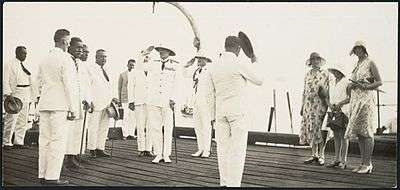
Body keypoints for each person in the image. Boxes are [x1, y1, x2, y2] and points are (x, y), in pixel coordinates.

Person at [208, 36, 263, 187]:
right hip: (237, 112)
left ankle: (224, 182)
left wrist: (212, 115)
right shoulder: (238, 63)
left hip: (220, 112)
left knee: (223, 149)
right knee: (237, 150)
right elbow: (259, 80)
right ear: (239, 49)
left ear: (225, 46)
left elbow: (209, 93)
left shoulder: (213, 65)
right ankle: (233, 184)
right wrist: (255, 62)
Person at [35, 29, 78, 185]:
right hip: (60, 105)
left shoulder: (44, 58)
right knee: (58, 141)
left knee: (44, 140)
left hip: (45, 103)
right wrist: (73, 108)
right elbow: (69, 85)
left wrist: (37, 104)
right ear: (64, 41)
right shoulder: (66, 59)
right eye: (68, 41)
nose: (69, 44)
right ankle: (52, 177)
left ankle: (42, 174)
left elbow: (38, 83)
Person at [345, 41, 382, 174]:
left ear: (364, 49)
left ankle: (368, 164)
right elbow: (354, 81)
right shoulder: (357, 64)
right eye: (355, 49)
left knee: (367, 131)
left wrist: (367, 86)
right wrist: (351, 86)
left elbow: (379, 81)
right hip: (356, 100)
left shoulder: (370, 62)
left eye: (359, 48)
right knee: (360, 132)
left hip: (366, 100)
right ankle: (363, 163)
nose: (357, 51)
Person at [63, 37, 92, 170]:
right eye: (78, 48)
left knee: (77, 131)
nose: (81, 50)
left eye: (82, 48)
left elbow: (86, 84)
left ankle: (73, 156)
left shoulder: (81, 64)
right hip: (67, 103)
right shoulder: (65, 60)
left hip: (80, 103)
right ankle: (66, 157)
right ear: (70, 47)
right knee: (67, 131)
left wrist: (88, 99)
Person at [147, 45, 178, 164]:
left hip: (167, 101)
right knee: (155, 127)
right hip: (154, 100)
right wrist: (145, 53)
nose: (161, 52)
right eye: (159, 50)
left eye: (163, 50)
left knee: (168, 128)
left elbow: (177, 83)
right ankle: (158, 153)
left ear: (169, 51)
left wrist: (173, 98)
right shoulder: (153, 63)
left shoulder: (175, 65)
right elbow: (140, 67)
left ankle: (166, 154)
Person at [299, 52, 330, 166]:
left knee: (320, 129)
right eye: (313, 60)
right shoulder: (307, 74)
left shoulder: (325, 74)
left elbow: (327, 91)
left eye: (317, 59)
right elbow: (304, 90)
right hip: (308, 105)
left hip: (320, 104)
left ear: (320, 61)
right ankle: (314, 154)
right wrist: (302, 106)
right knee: (311, 129)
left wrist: (328, 104)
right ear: (310, 61)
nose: (315, 61)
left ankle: (321, 155)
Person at [3, 46, 36, 150]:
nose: (24, 55)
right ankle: (6, 142)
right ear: (17, 53)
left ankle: (19, 141)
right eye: (22, 53)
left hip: (26, 92)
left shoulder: (27, 65)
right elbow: (5, 80)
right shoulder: (9, 64)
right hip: (15, 93)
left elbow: (32, 80)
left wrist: (33, 97)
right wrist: (8, 94)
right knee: (11, 119)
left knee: (23, 119)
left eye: (26, 53)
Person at [86, 49, 117, 158]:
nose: (103, 59)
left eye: (105, 57)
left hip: (107, 103)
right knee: (93, 126)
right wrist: (90, 101)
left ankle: (100, 148)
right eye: (101, 56)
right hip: (96, 102)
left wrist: (113, 98)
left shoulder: (107, 70)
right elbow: (88, 86)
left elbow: (109, 86)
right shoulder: (90, 69)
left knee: (104, 127)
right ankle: (92, 148)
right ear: (96, 57)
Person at [183, 51, 214, 158]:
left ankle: (207, 150)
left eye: (201, 58)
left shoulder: (210, 70)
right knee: (198, 126)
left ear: (207, 59)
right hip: (196, 101)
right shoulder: (196, 71)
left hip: (206, 102)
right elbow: (183, 73)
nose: (199, 60)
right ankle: (200, 148)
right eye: (198, 58)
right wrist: (187, 64)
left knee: (206, 126)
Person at [128, 47, 154, 157]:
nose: (146, 58)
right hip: (139, 101)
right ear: (140, 57)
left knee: (150, 126)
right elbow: (130, 87)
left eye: (148, 56)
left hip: (151, 102)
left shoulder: (154, 71)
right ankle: (141, 149)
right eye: (144, 56)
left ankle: (148, 148)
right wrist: (131, 101)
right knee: (139, 125)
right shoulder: (135, 71)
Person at [324, 63, 350, 169]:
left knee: (344, 136)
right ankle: (336, 159)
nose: (335, 73)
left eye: (336, 71)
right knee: (336, 136)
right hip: (333, 111)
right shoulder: (332, 82)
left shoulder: (346, 82)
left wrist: (340, 104)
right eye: (333, 71)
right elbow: (328, 96)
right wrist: (330, 105)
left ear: (340, 71)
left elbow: (351, 97)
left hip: (343, 110)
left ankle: (343, 161)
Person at [118, 59, 136, 140]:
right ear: (127, 65)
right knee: (126, 117)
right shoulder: (122, 75)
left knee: (133, 117)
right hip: (125, 98)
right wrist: (119, 100)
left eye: (133, 65)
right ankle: (125, 134)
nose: (132, 66)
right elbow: (119, 88)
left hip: (134, 99)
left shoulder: (136, 75)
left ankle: (131, 134)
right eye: (130, 65)